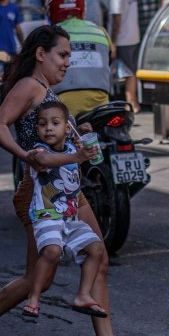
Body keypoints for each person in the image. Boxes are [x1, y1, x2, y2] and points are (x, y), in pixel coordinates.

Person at [0, 25, 148, 336]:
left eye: (69, 55)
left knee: (98, 258)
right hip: (40, 194)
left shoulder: (47, 91)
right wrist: (26, 157)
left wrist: (77, 132)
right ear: (41, 54)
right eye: (62, 55)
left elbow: (53, 138)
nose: (68, 62)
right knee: (39, 277)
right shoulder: (29, 86)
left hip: (68, 191)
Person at [20, 99, 109, 322]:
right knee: (52, 252)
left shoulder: (71, 147)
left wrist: (82, 133)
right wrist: (78, 157)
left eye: (55, 123)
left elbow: (72, 153)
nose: (48, 128)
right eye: (43, 124)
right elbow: (45, 160)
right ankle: (33, 298)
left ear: (67, 128)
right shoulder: (39, 151)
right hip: (47, 216)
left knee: (96, 249)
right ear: (37, 129)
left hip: (69, 218)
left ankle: (83, 295)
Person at [46, 0, 114, 120]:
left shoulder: (49, 35)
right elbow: (110, 58)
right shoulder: (100, 32)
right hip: (100, 102)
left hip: (63, 102)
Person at [109, 0, 141, 112]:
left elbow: (116, 21)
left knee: (128, 72)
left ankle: (132, 104)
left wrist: (112, 42)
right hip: (133, 35)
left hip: (123, 38)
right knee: (131, 71)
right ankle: (133, 102)